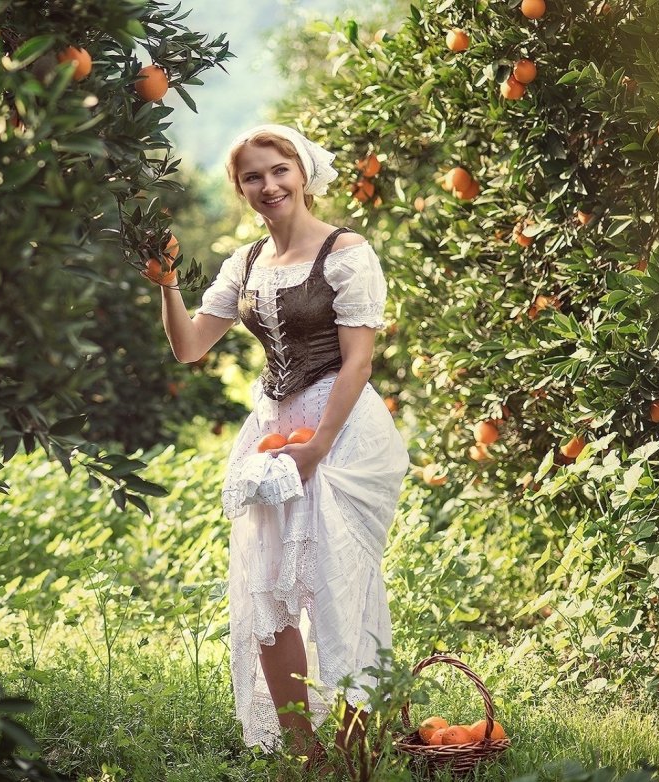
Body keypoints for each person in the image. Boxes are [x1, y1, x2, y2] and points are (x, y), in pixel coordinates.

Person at [150, 124, 409, 769]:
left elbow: (357, 364)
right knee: (268, 587)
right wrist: (167, 280)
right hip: (274, 426)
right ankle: (305, 755)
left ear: (303, 172)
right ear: (240, 189)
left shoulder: (348, 254)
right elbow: (189, 346)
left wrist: (319, 446)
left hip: (339, 430)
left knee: (337, 580)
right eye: (253, 177)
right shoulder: (244, 264)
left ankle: (354, 749)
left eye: (279, 171)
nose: (268, 186)